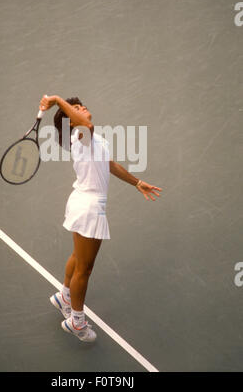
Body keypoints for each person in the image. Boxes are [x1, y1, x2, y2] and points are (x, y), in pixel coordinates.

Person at [39, 95, 162, 342]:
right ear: (71, 123)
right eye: (76, 109)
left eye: (80, 105)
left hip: (83, 203)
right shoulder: (81, 136)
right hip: (89, 207)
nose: (82, 108)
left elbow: (109, 164)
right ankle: (76, 321)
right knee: (85, 268)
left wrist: (137, 182)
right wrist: (57, 100)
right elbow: (86, 125)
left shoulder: (91, 139)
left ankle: (64, 296)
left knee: (78, 257)